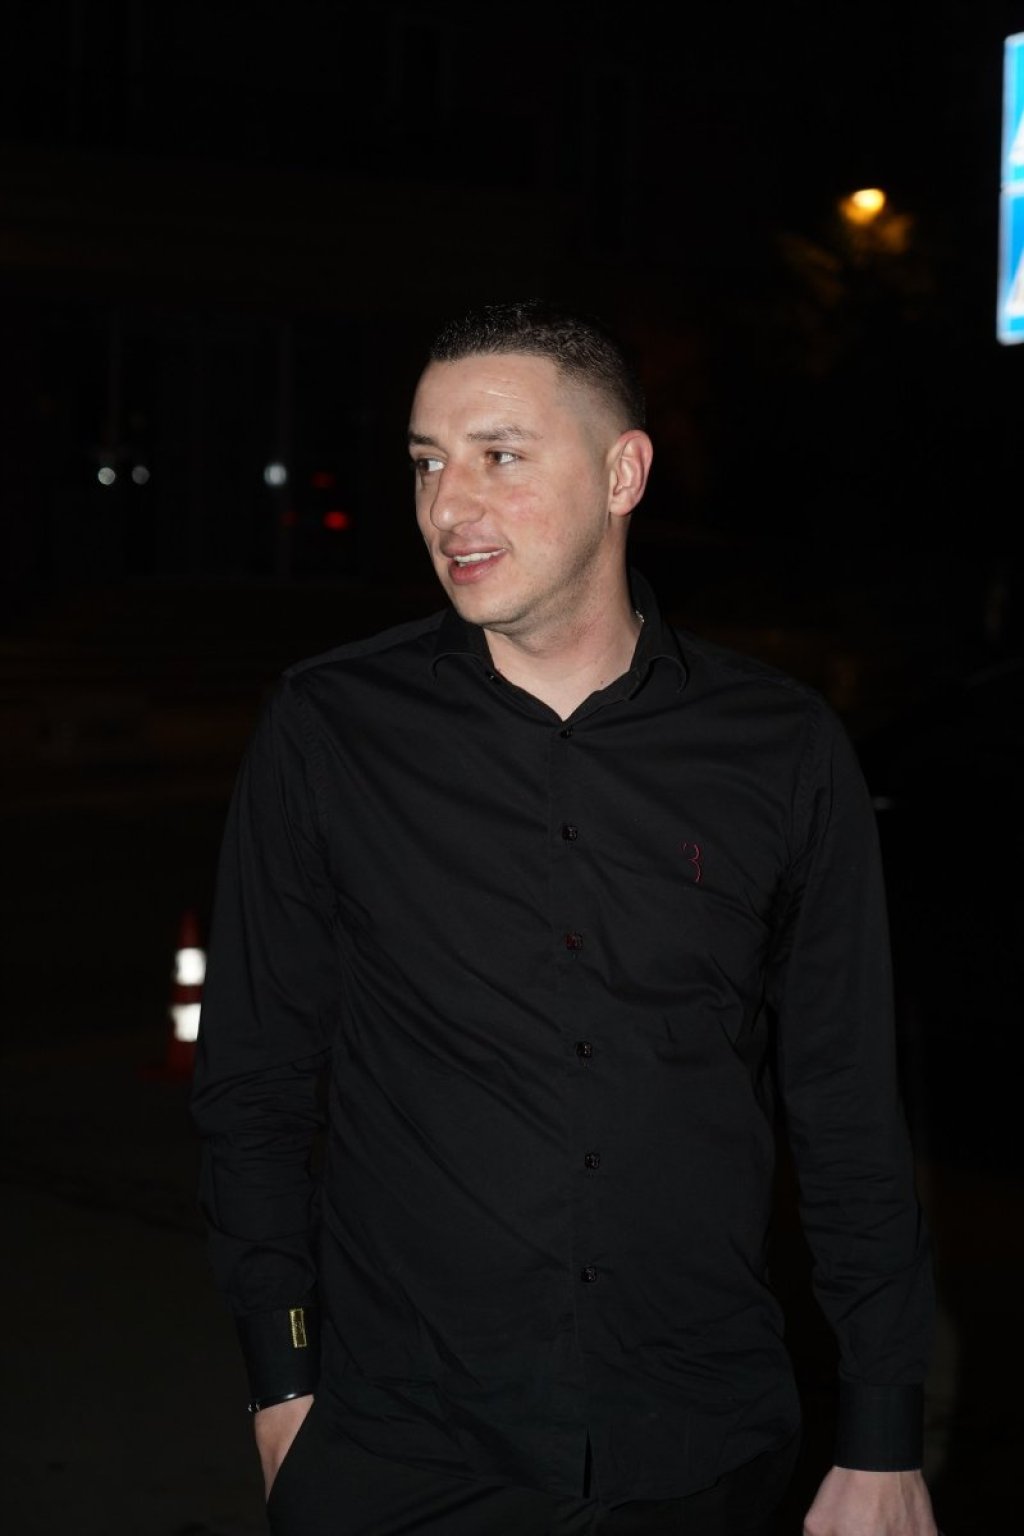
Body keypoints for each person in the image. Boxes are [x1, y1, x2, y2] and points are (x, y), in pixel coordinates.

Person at [190, 299, 939, 1536]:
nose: (448, 505)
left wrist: (881, 1435)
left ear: (622, 473)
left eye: (499, 455)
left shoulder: (780, 746)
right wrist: (282, 1383)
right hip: (398, 1446)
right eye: (427, 462)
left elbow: (847, 1104)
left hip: (697, 1443)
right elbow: (254, 1081)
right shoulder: (331, 728)